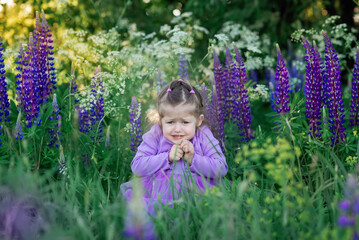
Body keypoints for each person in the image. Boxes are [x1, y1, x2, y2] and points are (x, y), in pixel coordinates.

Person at [121, 79, 228, 215]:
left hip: (196, 190)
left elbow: (221, 167)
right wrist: (167, 158)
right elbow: (137, 166)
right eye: (170, 122)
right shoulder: (156, 134)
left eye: (185, 122)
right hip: (159, 191)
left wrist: (193, 159)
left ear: (198, 120)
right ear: (160, 120)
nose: (177, 129)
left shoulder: (202, 134)